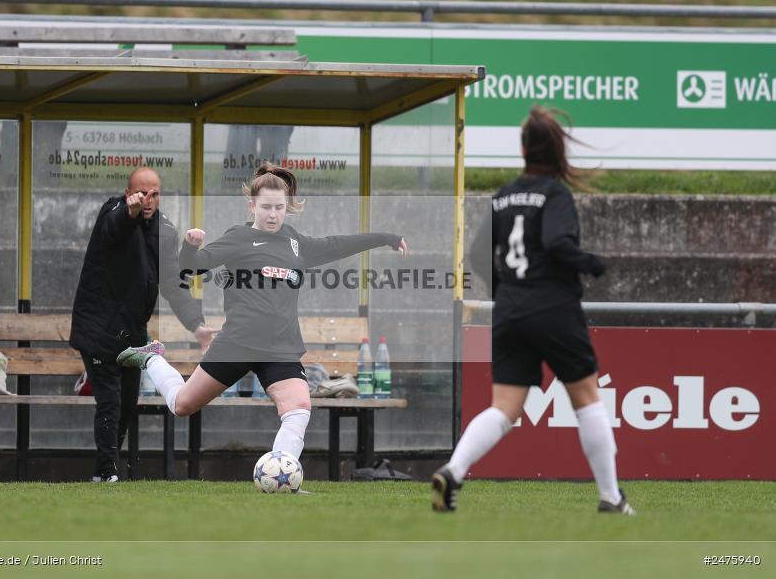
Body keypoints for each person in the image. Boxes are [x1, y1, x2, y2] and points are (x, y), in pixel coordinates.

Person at [116, 162, 408, 465]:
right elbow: (192, 268)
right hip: (238, 344)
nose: (273, 214)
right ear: (252, 205)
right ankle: (152, 358)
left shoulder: (295, 242)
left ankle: (281, 475)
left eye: (279, 208)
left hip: (280, 347)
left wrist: (385, 237)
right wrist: (190, 246)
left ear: (288, 207)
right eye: (266, 207)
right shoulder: (239, 237)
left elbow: (335, 245)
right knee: (182, 405)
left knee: (298, 407)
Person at [432, 106, 635, 515]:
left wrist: (507, 290)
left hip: (510, 310)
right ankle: (612, 498)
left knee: (504, 407)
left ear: (523, 149)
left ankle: (453, 471)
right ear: (558, 149)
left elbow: (474, 253)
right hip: (553, 306)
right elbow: (558, 242)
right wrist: (590, 262)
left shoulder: (503, 195)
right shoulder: (555, 194)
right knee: (587, 397)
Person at [69, 167, 217, 483]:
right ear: (129, 192)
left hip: (133, 332)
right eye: (142, 193)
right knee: (109, 401)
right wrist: (129, 212)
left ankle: (102, 472)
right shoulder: (113, 211)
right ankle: (108, 472)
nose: (148, 199)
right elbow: (113, 228)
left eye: (155, 193)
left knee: (126, 403)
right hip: (98, 326)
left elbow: (173, 283)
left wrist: (198, 326)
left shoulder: (164, 229)